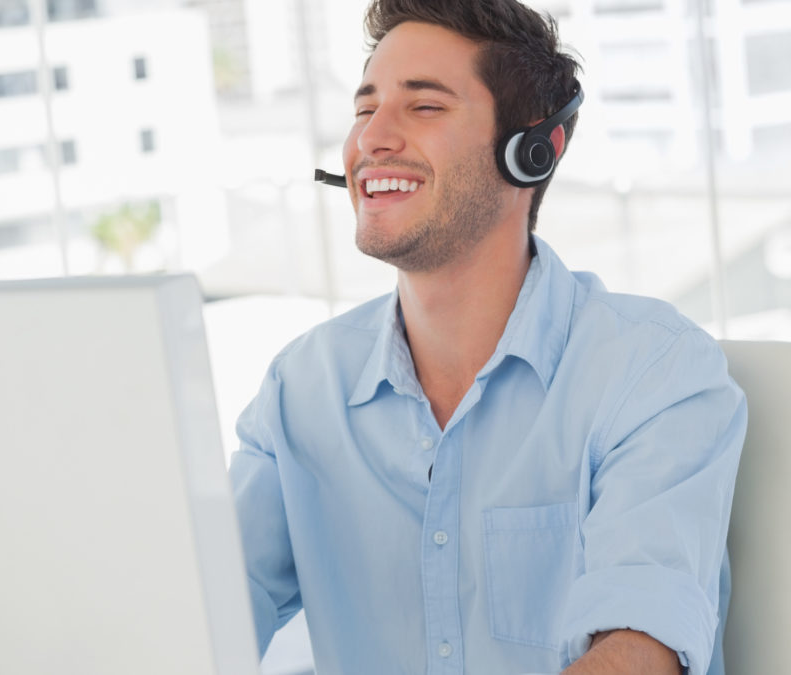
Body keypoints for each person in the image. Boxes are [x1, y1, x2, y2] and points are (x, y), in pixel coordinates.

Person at [228, 1, 747, 674]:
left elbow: (637, 650)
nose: (371, 139)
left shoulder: (654, 370)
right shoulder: (298, 389)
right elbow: (198, 613)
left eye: (424, 107)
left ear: (535, 149)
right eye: (364, 110)